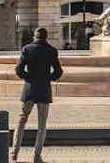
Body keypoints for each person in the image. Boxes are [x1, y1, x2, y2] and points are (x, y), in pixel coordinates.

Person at [13, 26, 63, 163]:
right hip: (44, 91)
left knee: (21, 121)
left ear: (35, 37)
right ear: (46, 37)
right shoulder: (51, 51)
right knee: (42, 126)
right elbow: (58, 72)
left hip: (29, 91)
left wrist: (29, 78)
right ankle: (37, 155)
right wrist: (48, 78)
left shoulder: (27, 49)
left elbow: (18, 69)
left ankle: (14, 153)